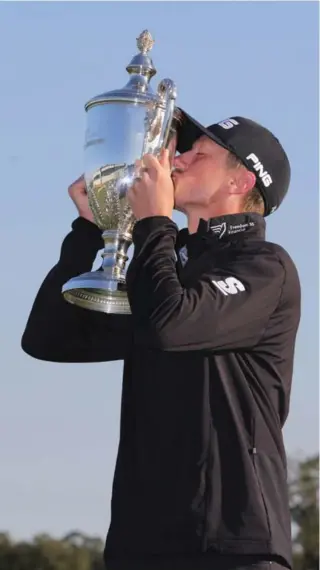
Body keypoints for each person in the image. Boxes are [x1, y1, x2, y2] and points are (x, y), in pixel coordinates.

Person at [21, 110, 301, 570]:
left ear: (240, 183)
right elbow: (52, 338)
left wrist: (153, 221)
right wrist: (93, 229)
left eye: (199, 154)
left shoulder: (264, 267)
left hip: (233, 549)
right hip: (141, 546)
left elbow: (170, 324)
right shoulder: (164, 270)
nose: (179, 160)